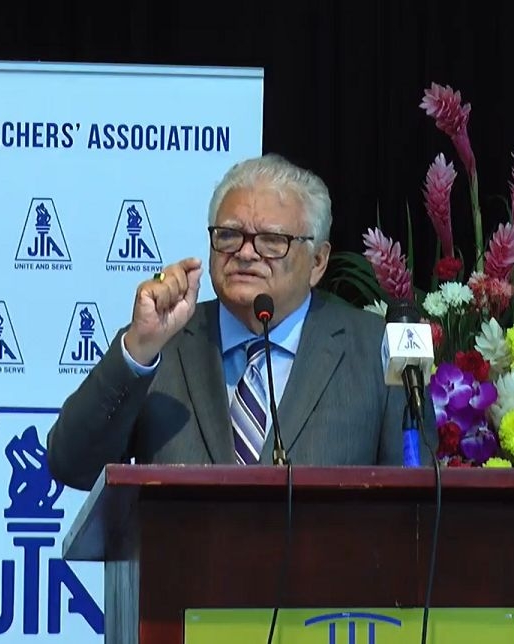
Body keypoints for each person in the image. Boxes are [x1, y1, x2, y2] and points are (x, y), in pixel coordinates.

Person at [46, 153, 435, 491]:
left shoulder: (374, 349)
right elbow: (71, 464)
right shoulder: (164, 344)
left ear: (318, 261)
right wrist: (138, 350)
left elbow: (415, 510)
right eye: (230, 235)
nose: (246, 253)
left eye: (271, 240)